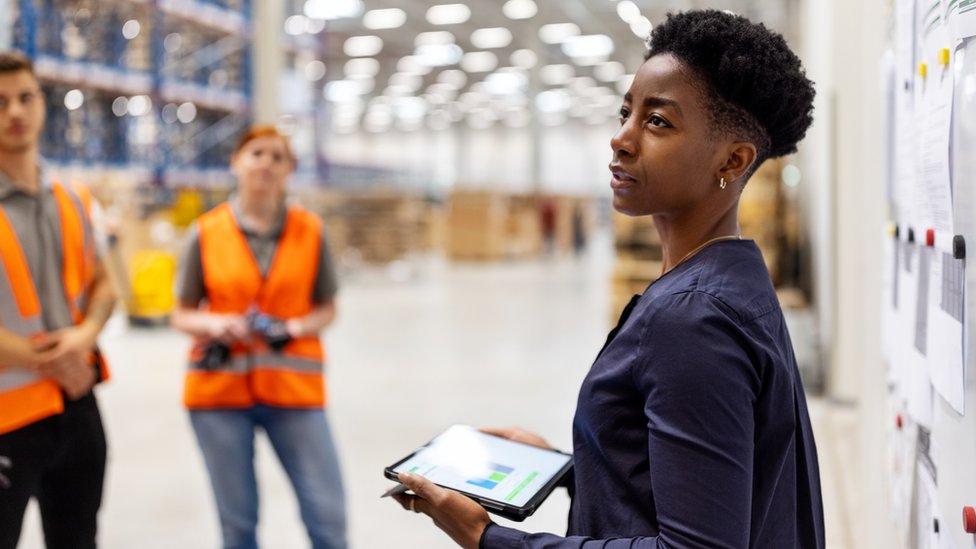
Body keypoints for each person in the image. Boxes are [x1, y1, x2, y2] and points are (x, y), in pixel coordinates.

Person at [391, 10, 824, 549]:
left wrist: (489, 538)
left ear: (733, 161)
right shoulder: (733, 279)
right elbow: (709, 481)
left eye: (658, 122)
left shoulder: (692, 319)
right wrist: (574, 463)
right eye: (626, 113)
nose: (621, 140)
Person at [171, 125, 346, 549]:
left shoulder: (310, 231)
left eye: (277, 157)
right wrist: (215, 324)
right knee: (238, 524)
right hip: (219, 396)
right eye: (256, 154)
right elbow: (180, 313)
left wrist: (293, 328)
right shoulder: (206, 232)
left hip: (295, 393)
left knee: (327, 516)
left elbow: (327, 307)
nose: (266, 164)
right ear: (236, 162)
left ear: (290, 170)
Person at [0, 51, 117, 549]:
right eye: (1, 102)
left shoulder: (74, 198)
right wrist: (53, 360)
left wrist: (85, 337)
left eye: (25, 98)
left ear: (43, 105)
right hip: (7, 418)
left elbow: (106, 285)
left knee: (78, 539)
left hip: (78, 407)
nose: (15, 113)